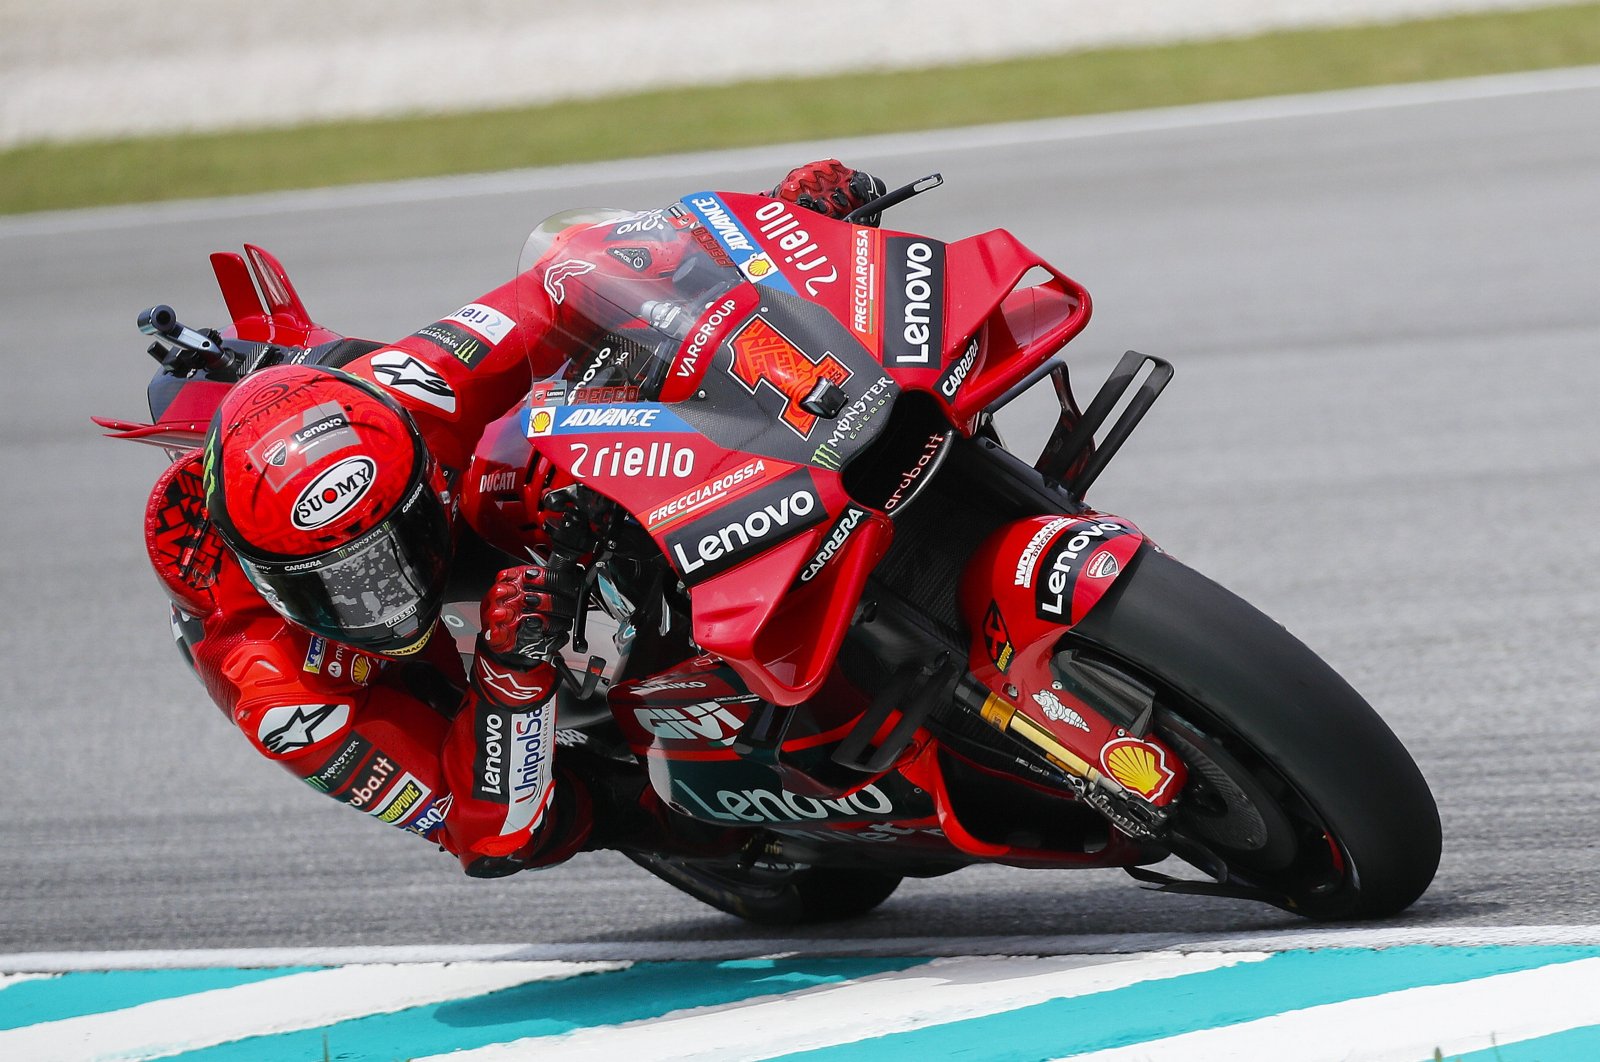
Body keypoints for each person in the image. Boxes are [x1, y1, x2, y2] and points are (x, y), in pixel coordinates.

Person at [144, 160, 886, 877]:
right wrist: (507, 674)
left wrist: (774, 218)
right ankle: (695, 810)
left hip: (443, 479)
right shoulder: (277, 691)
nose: (386, 597)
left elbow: (567, 276)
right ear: (267, 577)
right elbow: (481, 835)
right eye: (342, 584)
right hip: (415, 687)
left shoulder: (413, 388)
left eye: (392, 553)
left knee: (571, 417)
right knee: (544, 829)